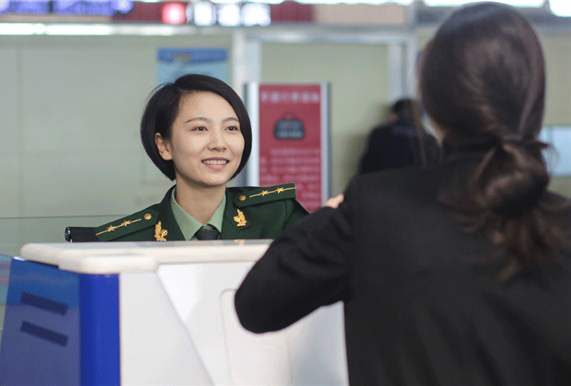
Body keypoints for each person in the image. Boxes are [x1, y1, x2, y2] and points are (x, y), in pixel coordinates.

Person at [235, 3, 571, 385]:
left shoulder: (375, 209)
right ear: (532, 101)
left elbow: (257, 304)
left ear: (432, 102)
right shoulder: (563, 224)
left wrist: (332, 215)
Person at [69, 74, 308, 242]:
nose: (219, 143)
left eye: (232, 129)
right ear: (164, 146)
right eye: (199, 129)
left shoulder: (280, 218)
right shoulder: (123, 241)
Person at [358, 98, 440, 174]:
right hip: (419, 188)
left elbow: (365, 169)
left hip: (383, 187)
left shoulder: (379, 134)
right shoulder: (429, 140)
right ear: (420, 118)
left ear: (394, 115)